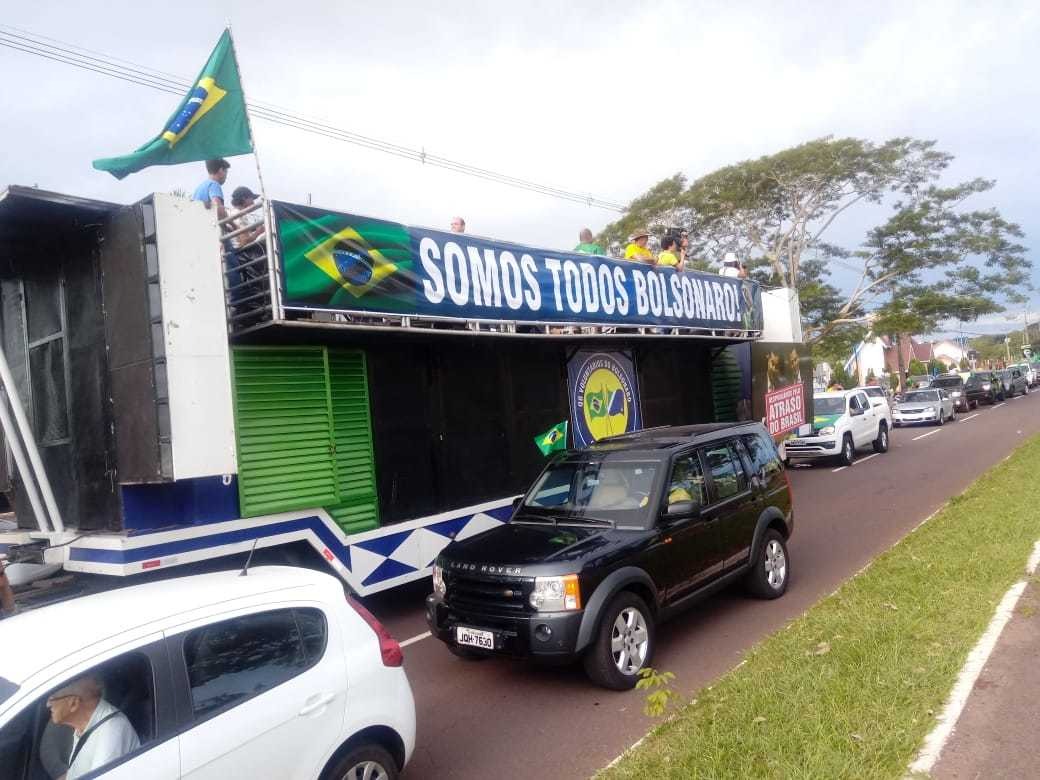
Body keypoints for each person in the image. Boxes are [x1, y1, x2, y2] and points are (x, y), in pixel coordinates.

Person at [47, 675, 140, 779]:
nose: (48, 704)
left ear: (73, 704)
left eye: (53, 698)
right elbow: (74, 774)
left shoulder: (111, 732)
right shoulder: (83, 726)